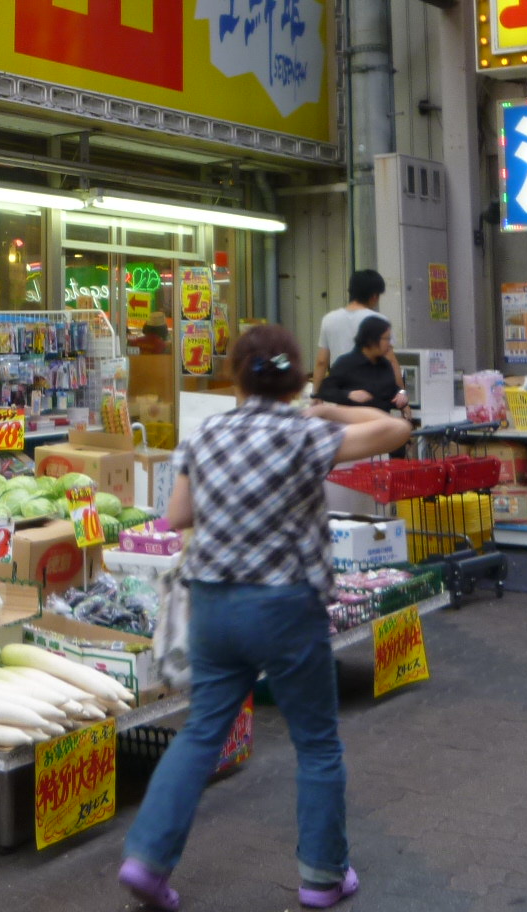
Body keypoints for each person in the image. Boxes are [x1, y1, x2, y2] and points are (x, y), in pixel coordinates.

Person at [118, 326, 413, 911]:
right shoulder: (306, 433)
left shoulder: (206, 435)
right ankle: (323, 877)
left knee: (202, 732)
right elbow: (395, 428)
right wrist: (327, 407)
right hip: (286, 606)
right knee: (317, 744)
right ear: (295, 378)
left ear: (235, 375)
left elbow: (177, 514)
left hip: (215, 605)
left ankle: (147, 860)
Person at [315, 315, 404, 414]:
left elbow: (391, 389)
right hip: (354, 423)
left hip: (382, 422)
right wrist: (348, 394)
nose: (389, 344)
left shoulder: (385, 364)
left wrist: (401, 394)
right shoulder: (346, 363)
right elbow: (326, 390)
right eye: (386, 339)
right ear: (371, 340)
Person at [315, 270, 385, 373]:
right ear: (374, 296)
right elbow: (389, 359)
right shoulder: (379, 321)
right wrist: (401, 388)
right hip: (369, 384)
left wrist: (316, 389)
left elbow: (321, 362)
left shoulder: (328, 319)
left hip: (339, 384)